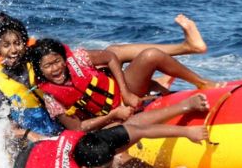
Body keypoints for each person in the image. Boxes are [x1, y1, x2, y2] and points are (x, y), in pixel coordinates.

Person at [13, 92, 210, 168]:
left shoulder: (94, 143)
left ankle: (184, 105)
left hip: (39, 151)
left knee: (127, 131)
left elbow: (138, 130)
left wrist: (186, 133)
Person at [29, 32, 221, 127]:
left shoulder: (79, 58)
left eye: (57, 61)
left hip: (125, 93)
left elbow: (110, 57)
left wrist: (127, 93)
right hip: (108, 123)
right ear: (40, 71)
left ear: (64, 58)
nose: (55, 69)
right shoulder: (51, 99)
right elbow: (78, 128)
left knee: (150, 55)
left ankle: (201, 83)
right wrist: (112, 116)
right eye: (48, 66)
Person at [0, 15, 63, 137]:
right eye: (6, 45)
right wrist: (27, 134)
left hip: (60, 128)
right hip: (29, 138)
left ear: (25, 45)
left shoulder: (37, 64)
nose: (13, 50)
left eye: (17, 43)